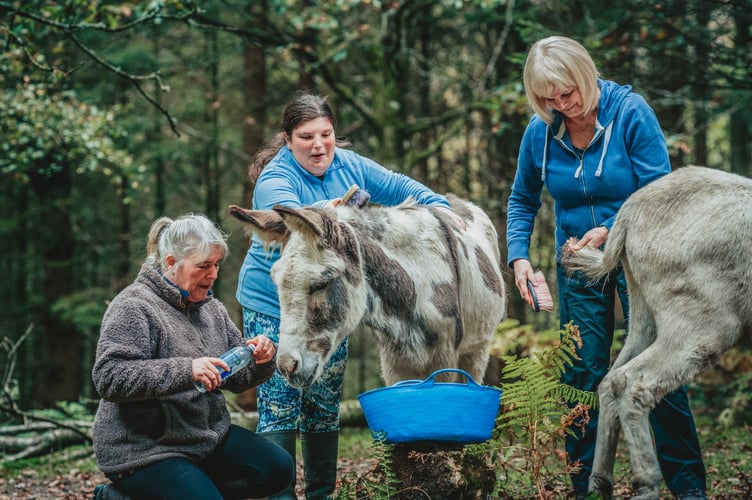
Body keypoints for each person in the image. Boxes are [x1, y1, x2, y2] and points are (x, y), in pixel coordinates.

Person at [506, 36, 707, 499]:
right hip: (579, 261)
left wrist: (612, 230)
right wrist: (518, 256)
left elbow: (659, 192)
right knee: (581, 372)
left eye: (568, 94)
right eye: (548, 98)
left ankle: (688, 488)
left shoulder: (631, 112)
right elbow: (522, 199)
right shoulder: (541, 132)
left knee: (655, 369)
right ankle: (588, 488)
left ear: (585, 76)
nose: (561, 105)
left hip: (643, 258)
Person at [236, 91, 456, 500]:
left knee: (322, 405)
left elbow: (403, 186)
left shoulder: (349, 164)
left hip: (327, 302)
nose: (319, 145)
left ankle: (322, 495)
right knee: (282, 402)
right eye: (306, 137)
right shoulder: (275, 179)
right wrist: (333, 209)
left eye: (326, 134)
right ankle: (278, 495)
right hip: (275, 304)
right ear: (287, 139)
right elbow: (286, 215)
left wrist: (444, 216)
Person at [91, 214, 294, 500]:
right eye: (203, 266)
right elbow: (110, 378)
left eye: (217, 265)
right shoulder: (134, 306)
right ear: (171, 262)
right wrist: (187, 370)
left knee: (278, 468)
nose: (213, 274)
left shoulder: (212, 310)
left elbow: (238, 379)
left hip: (204, 438)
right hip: (145, 450)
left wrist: (261, 359)